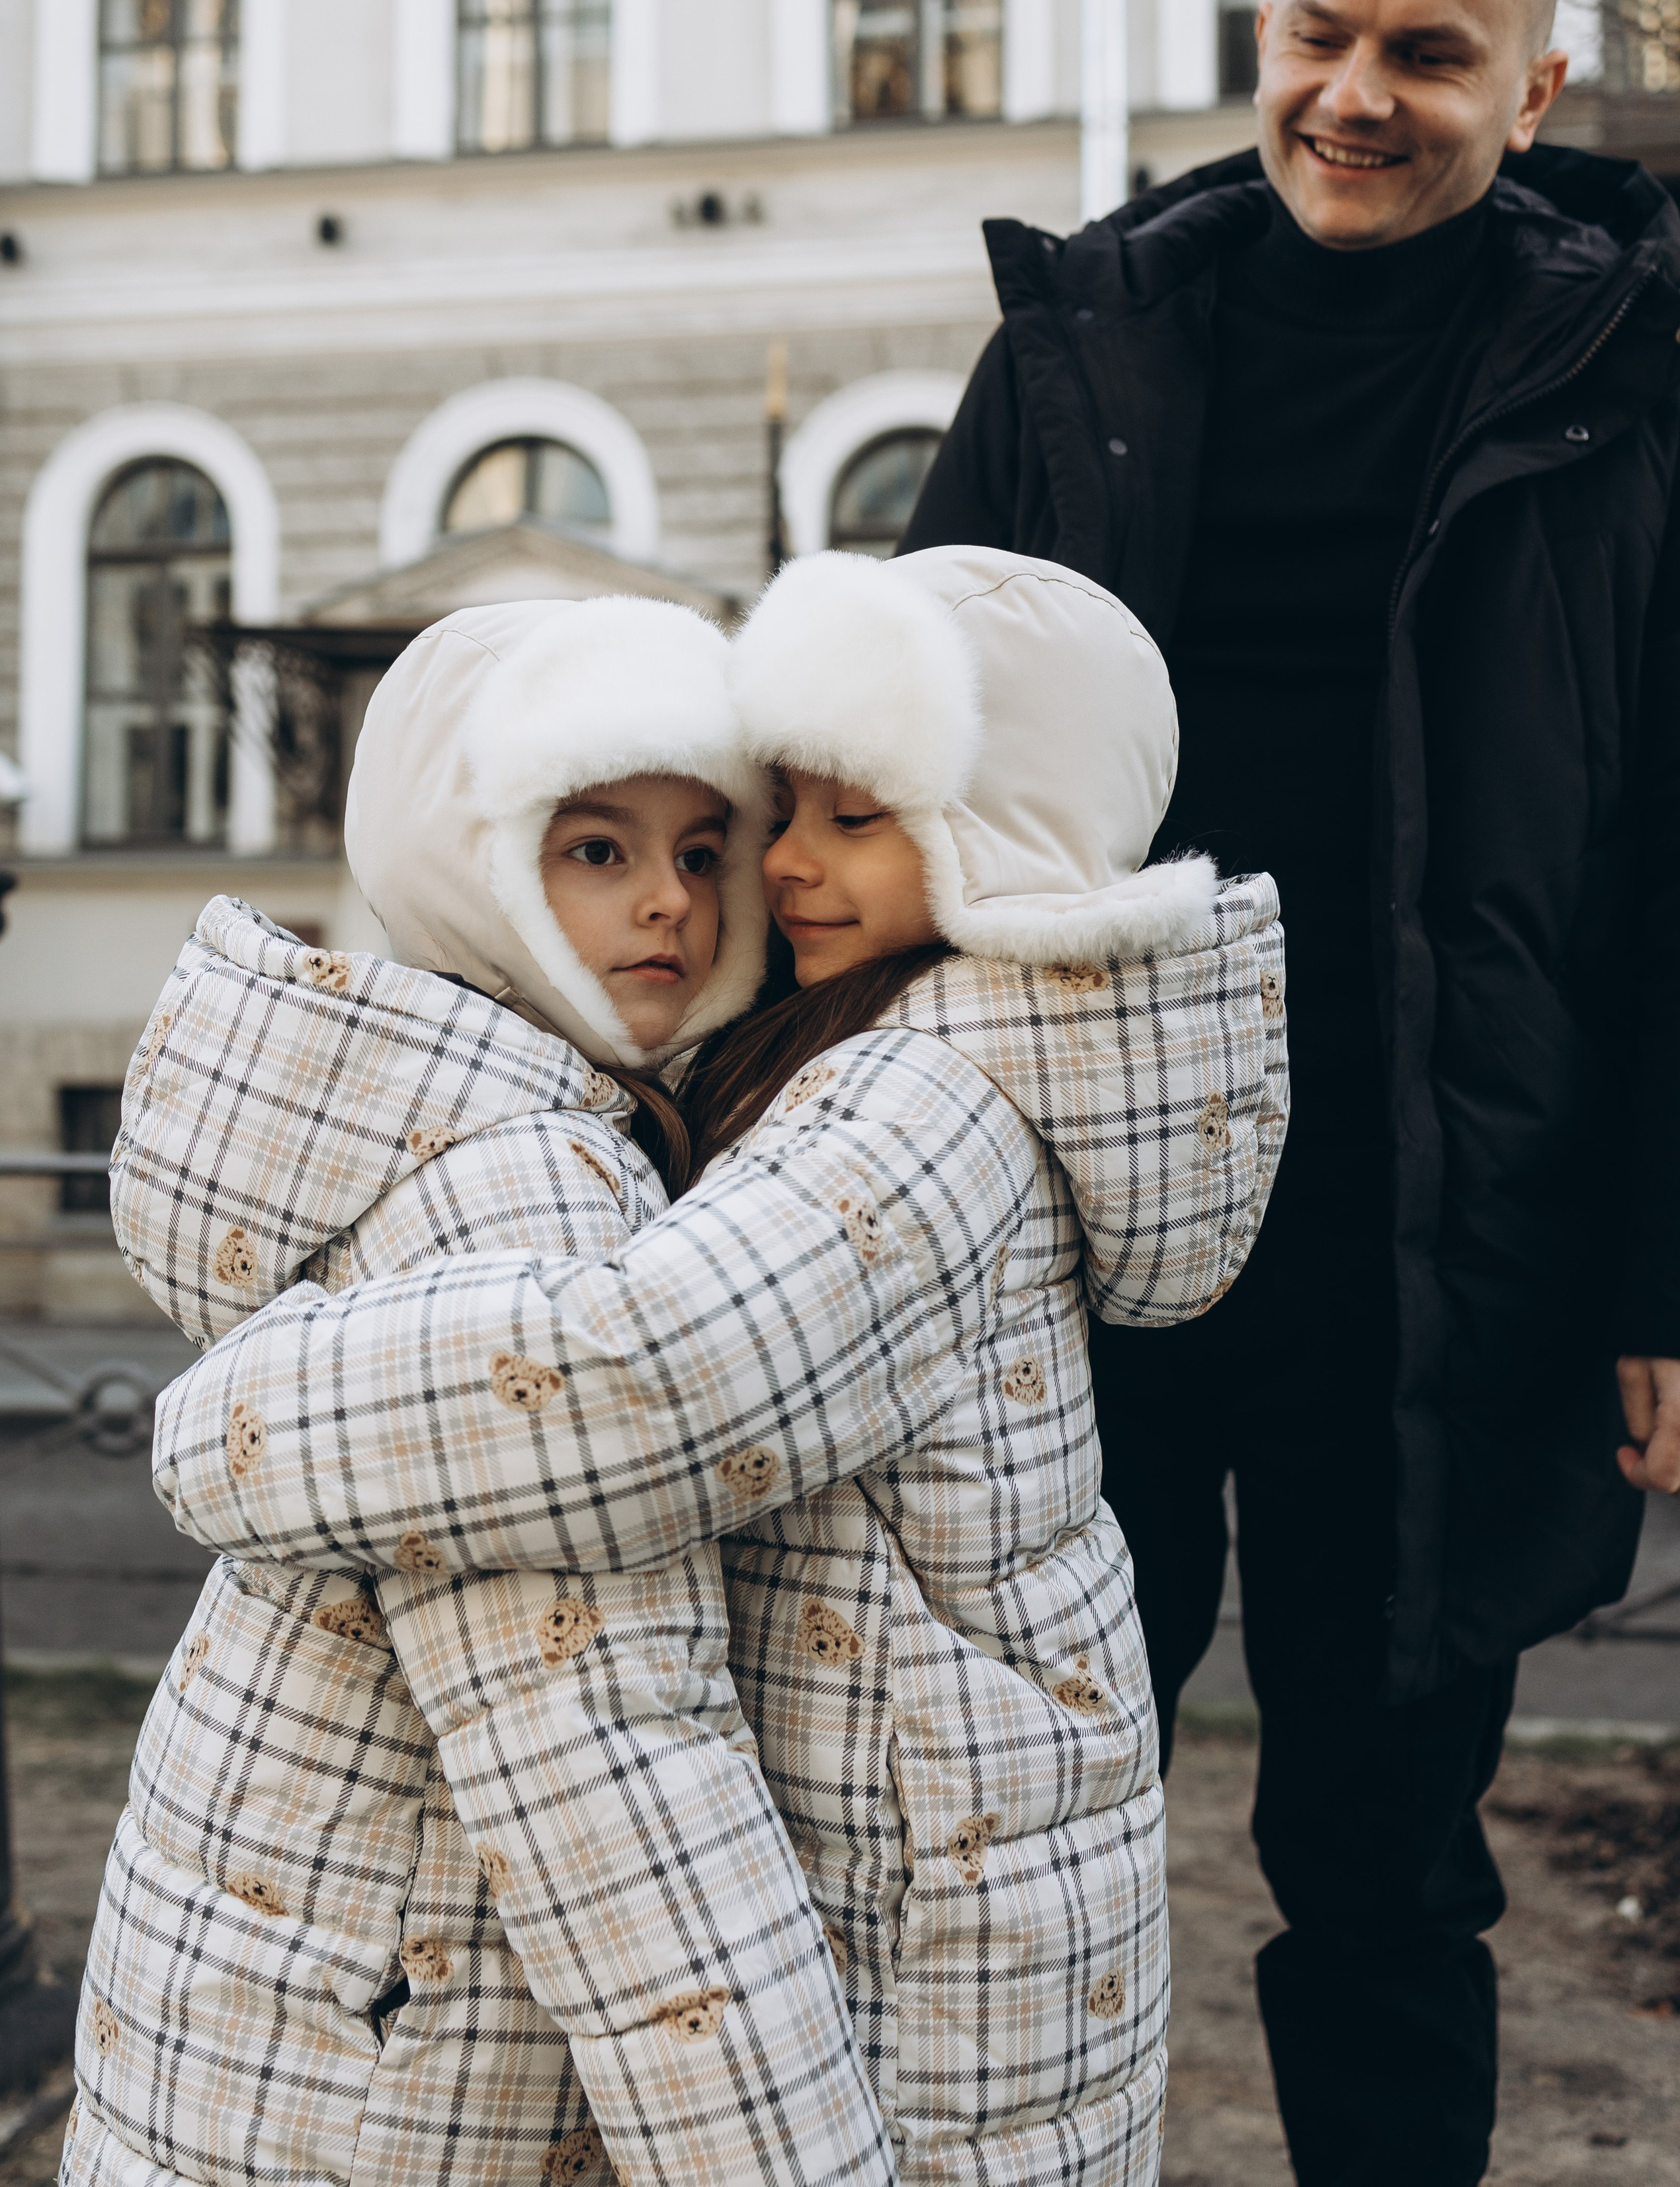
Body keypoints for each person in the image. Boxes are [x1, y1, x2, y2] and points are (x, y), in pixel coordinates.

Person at [148, 546, 1290, 2187]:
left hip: (923, 1920)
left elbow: (638, 1384)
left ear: (998, 830)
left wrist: (227, 1428)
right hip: (954, 1881)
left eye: (851, 816)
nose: (776, 866)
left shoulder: (921, 1110)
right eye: (785, 809)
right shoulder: (900, 1060)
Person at [898, 0, 1680, 2184]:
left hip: (1439, 1253)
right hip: (1072, 1244)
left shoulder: (1635, 379)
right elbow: (892, 766)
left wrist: (1663, 1271)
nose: (1355, 93)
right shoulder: (1086, 344)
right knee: (1008, 1852)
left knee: (1387, 1876)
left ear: (1533, 89)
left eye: (1427, 53)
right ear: (1265, 31)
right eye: (1318, 34)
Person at [76, 597, 893, 2187]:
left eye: (701, 851)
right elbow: (610, 1766)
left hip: (281, 1997)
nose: (668, 901)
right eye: (594, 849)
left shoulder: (436, 1111)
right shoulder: (521, 1192)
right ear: (468, 861)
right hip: (385, 2050)